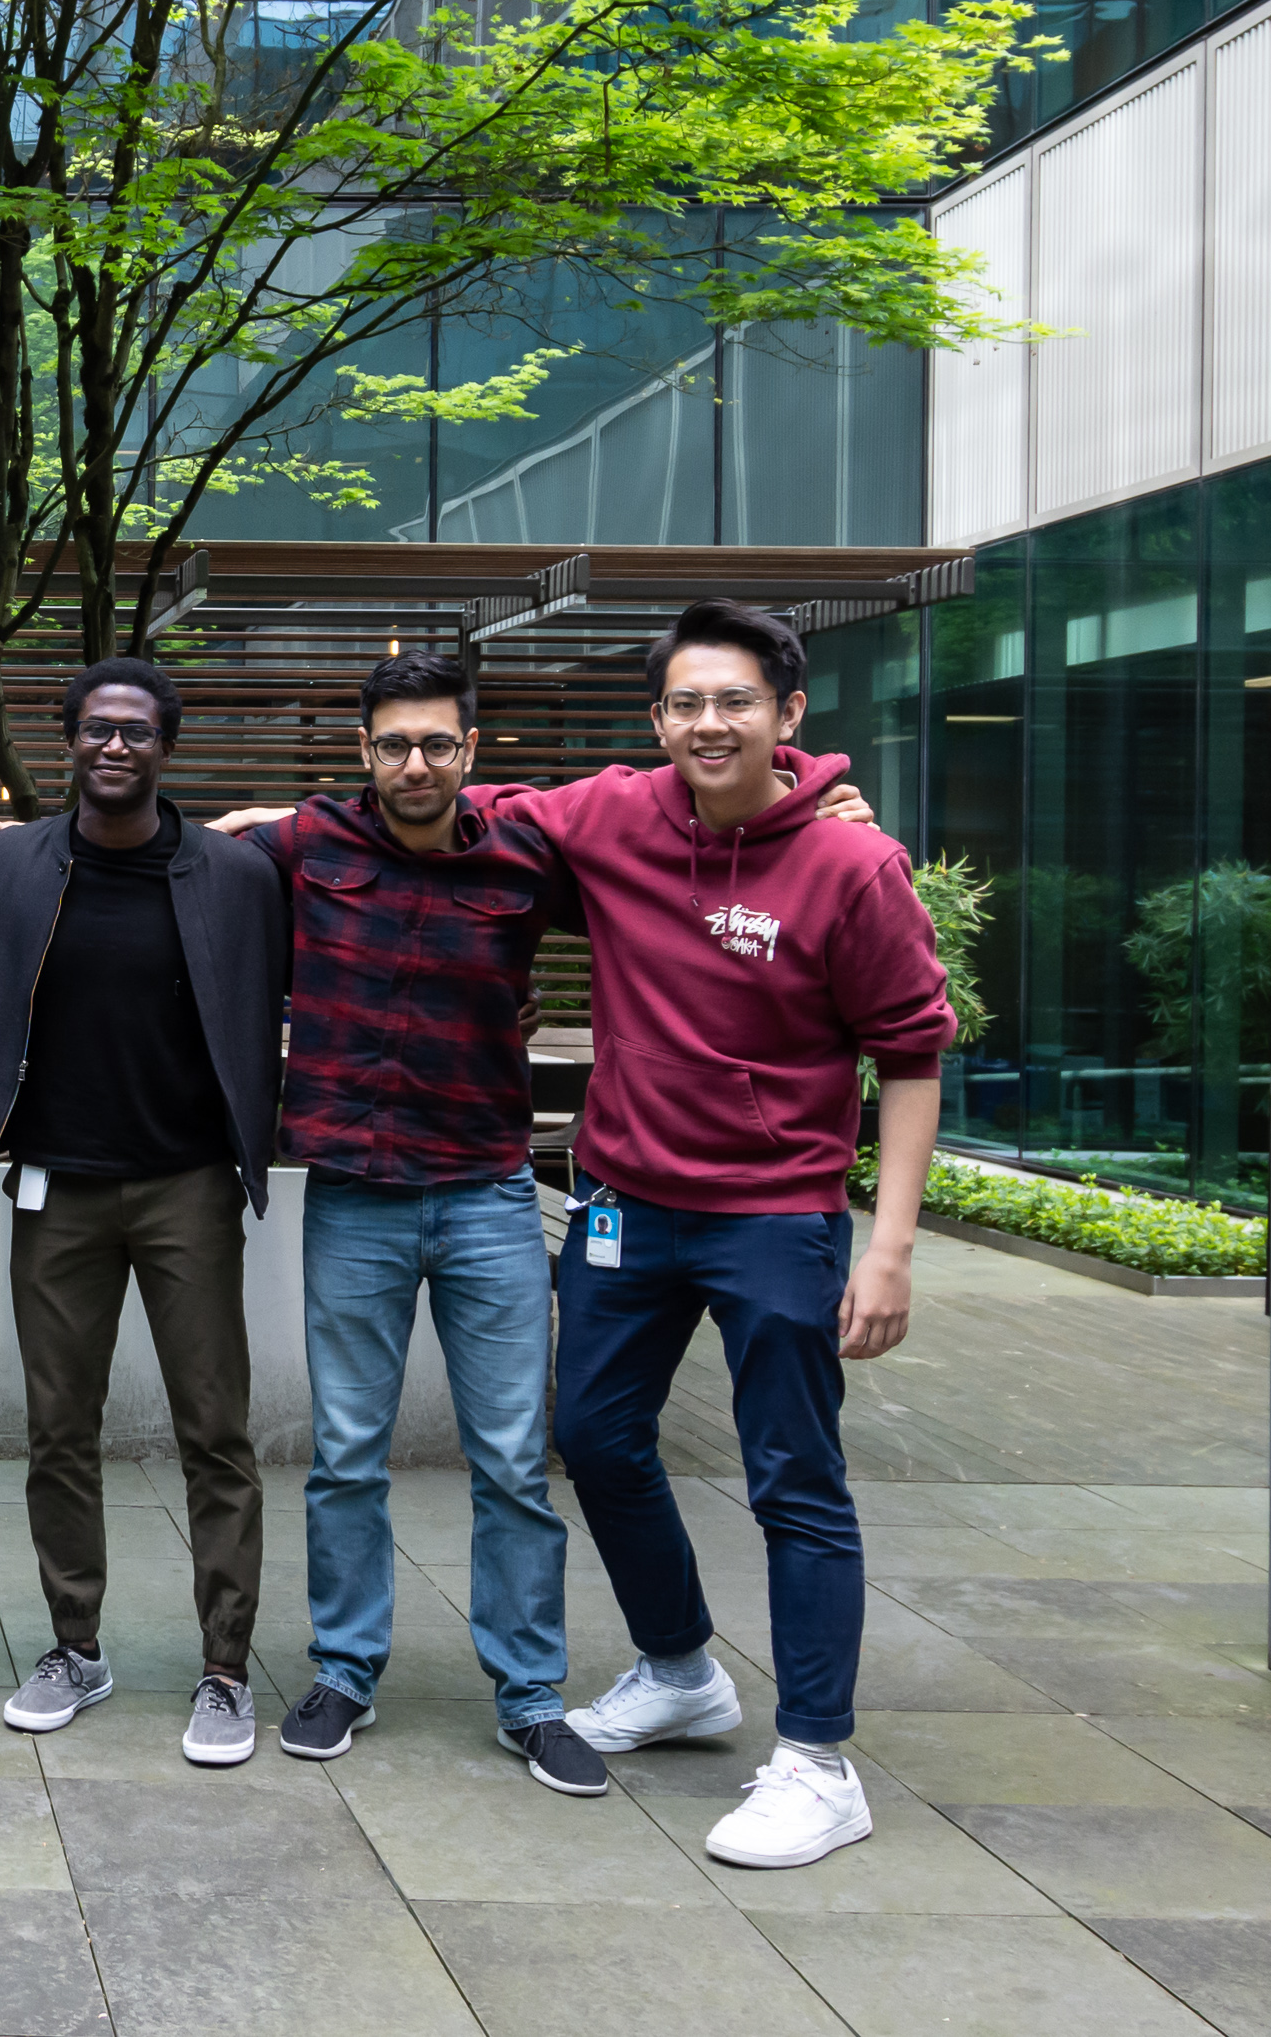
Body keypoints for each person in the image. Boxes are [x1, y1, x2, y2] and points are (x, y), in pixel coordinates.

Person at [521, 599, 952, 1870]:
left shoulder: (850, 865)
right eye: (686, 705)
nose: (711, 724)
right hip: (622, 1197)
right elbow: (441, 810)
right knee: (592, 1435)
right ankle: (678, 1671)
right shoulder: (609, 814)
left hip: (774, 1212)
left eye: (735, 701)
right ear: (657, 722)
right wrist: (247, 831)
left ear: (787, 713)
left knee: (794, 1481)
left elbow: (911, 1056)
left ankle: (818, 1763)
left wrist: (889, 1248)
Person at [191, 651, 605, 1793]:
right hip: (358, 1200)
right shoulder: (305, 845)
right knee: (345, 1457)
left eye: (435, 743)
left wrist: (808, 795)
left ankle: (529, 1695)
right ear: (361, 753)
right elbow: (161, 860)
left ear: (471, 752)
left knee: (516, 1459)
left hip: (487, 1194)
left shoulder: (530, 854)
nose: (412, 763)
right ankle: (345, 1671)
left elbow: (669, 851)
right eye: (391, 744)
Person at [0, 659, 287, 1768]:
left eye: (136, 732)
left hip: (187, 1183)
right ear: (68, 740)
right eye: (95, 728)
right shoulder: (9, 862)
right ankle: (73, 1647)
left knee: (214, 1431)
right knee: (58, 1430)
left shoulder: (233, 876)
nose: (114, 746)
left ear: (165, 747)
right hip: (56, 1183)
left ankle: (225, 1670)